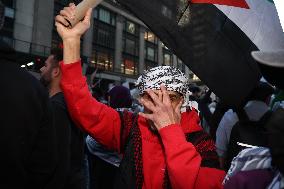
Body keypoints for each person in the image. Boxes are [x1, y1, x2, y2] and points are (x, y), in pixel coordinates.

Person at [55, 4, 225, 189]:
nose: (160, 108)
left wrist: (171, 132)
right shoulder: (131, 126)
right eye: (152, 98)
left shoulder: (203, 143)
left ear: (183, 101)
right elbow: (84, 109)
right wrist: (71, 42)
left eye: (170, 98)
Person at [0, 1, 57, 188]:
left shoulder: (55, 103)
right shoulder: (34, 91)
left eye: (46, 66)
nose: (41, 69)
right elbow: (44, 167)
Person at [40, 48, 85, 189]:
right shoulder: (68, 103)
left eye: (46, 65)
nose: (41, 69)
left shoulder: (56, 107)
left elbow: (58, 159)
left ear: (56, 71)